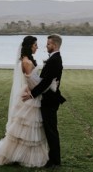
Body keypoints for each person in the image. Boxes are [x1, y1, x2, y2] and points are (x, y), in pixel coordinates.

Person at [0, 35, 55, 167]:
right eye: (35, 45)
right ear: (29, 46)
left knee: (29, 130)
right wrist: (50, 84)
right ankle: (21, 155)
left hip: (31, 94)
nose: (37, 47)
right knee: (28, 130)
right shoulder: (26, 62)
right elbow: (32, 82)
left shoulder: (27, 60)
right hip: (31, 97)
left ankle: (22, 154)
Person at [23, 34, 65, 168]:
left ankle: (55, 161)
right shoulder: (54, 58)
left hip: (50, 101)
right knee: (49, 130)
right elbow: (46, 79)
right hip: (49, 99)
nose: (46, 46)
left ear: (55, 45)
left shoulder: (55, 60)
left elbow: (46, 82)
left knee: (51, 131)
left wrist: (32, 94)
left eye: (48, 44)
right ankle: (53, 159)